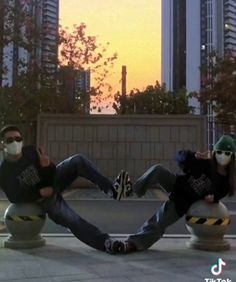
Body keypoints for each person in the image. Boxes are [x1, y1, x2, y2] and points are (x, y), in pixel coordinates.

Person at [0, 124, 132, 254]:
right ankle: (107, 243)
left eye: (18, 139)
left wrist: (46, 166)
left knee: (77, 160)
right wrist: (39, 192)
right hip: (42, 200)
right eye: (10, 140)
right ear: (3, 145)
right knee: (72, 220)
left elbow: (52, 171)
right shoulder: (4, 171)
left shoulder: (30, 152)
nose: (15, 143)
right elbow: (14, 196)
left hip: (52, 181)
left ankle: (114, 191)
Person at [112, 135, 236, 253]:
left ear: (232, 156)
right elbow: (179, 157)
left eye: (226, 153)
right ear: (214, 152)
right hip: (177, 183)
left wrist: (212, 198)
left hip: (183, 201)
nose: (222, 156)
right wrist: (193, 155)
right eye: (219, 152)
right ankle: (132, 191)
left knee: (159, 222)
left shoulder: (226, 181)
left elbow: (219, 194)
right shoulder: (205, 163)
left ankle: (132, 244)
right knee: (158, 170)